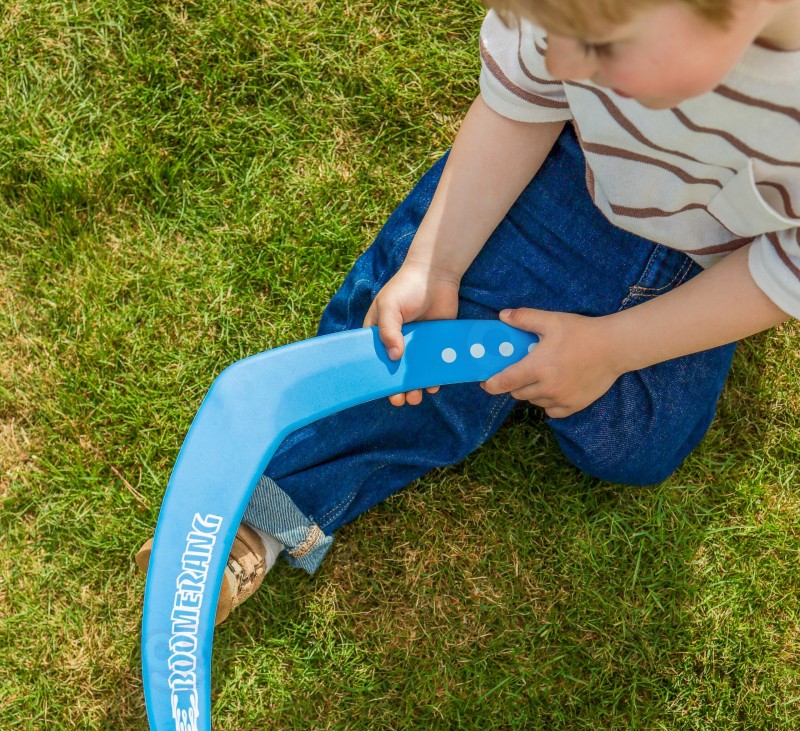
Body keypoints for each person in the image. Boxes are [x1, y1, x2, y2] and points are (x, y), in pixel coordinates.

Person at [137, 0, 800, 623]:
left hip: (718, 257)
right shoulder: (592, 21)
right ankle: (256, 512)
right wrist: (437, 263)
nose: (565, 62)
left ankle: (563, 353)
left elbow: (784, 271)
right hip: (568, 176)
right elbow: (525, 103)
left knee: (634, 449)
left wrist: (614, 349)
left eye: (598, 46)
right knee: (405, 346)